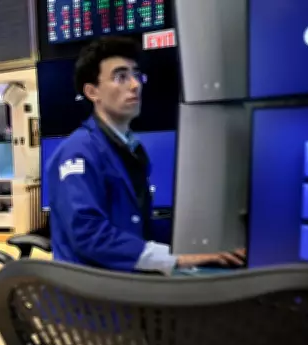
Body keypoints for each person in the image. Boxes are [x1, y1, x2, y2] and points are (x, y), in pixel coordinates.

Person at [46, 37, 245, 274]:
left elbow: (140, 227)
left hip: (122, 279)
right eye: (121, 77)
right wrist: (177, 257)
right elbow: (89, 235)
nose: (135, 85)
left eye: (137, 76)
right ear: (92, 92)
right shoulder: (78, 152)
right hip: (92, 289)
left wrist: (203, 240)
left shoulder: (130, 149)